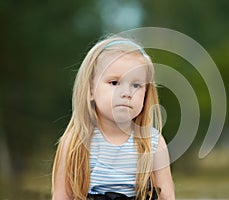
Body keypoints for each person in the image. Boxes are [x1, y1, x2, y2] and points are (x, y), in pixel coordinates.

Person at [52, 36, 175, 200]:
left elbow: (167, 196)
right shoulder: (75, 143)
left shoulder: (152, 142)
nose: (126, 93)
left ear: (146, 94)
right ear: (90, 90)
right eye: (115, 82)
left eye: (136, 85)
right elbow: (62, 197)